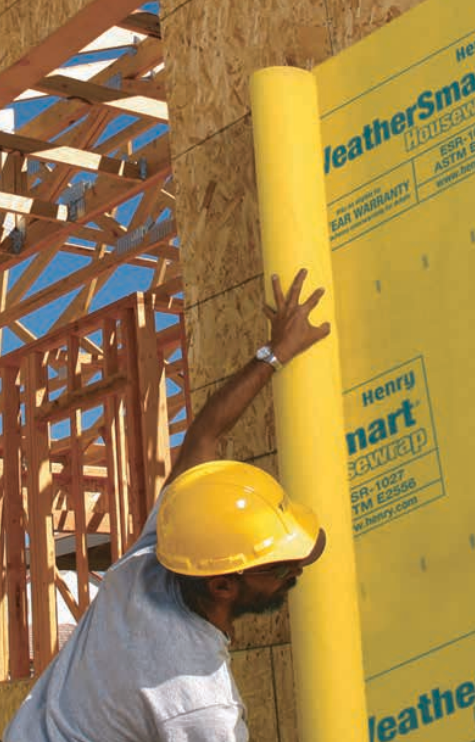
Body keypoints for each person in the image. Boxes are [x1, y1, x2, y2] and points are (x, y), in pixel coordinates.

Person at [4, 268, 332, 742]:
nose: (295, 573)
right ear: (222, 585)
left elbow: (204, 435)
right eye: (279, 569)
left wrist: (276, 352)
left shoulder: (153, 560)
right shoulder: (200, 707)